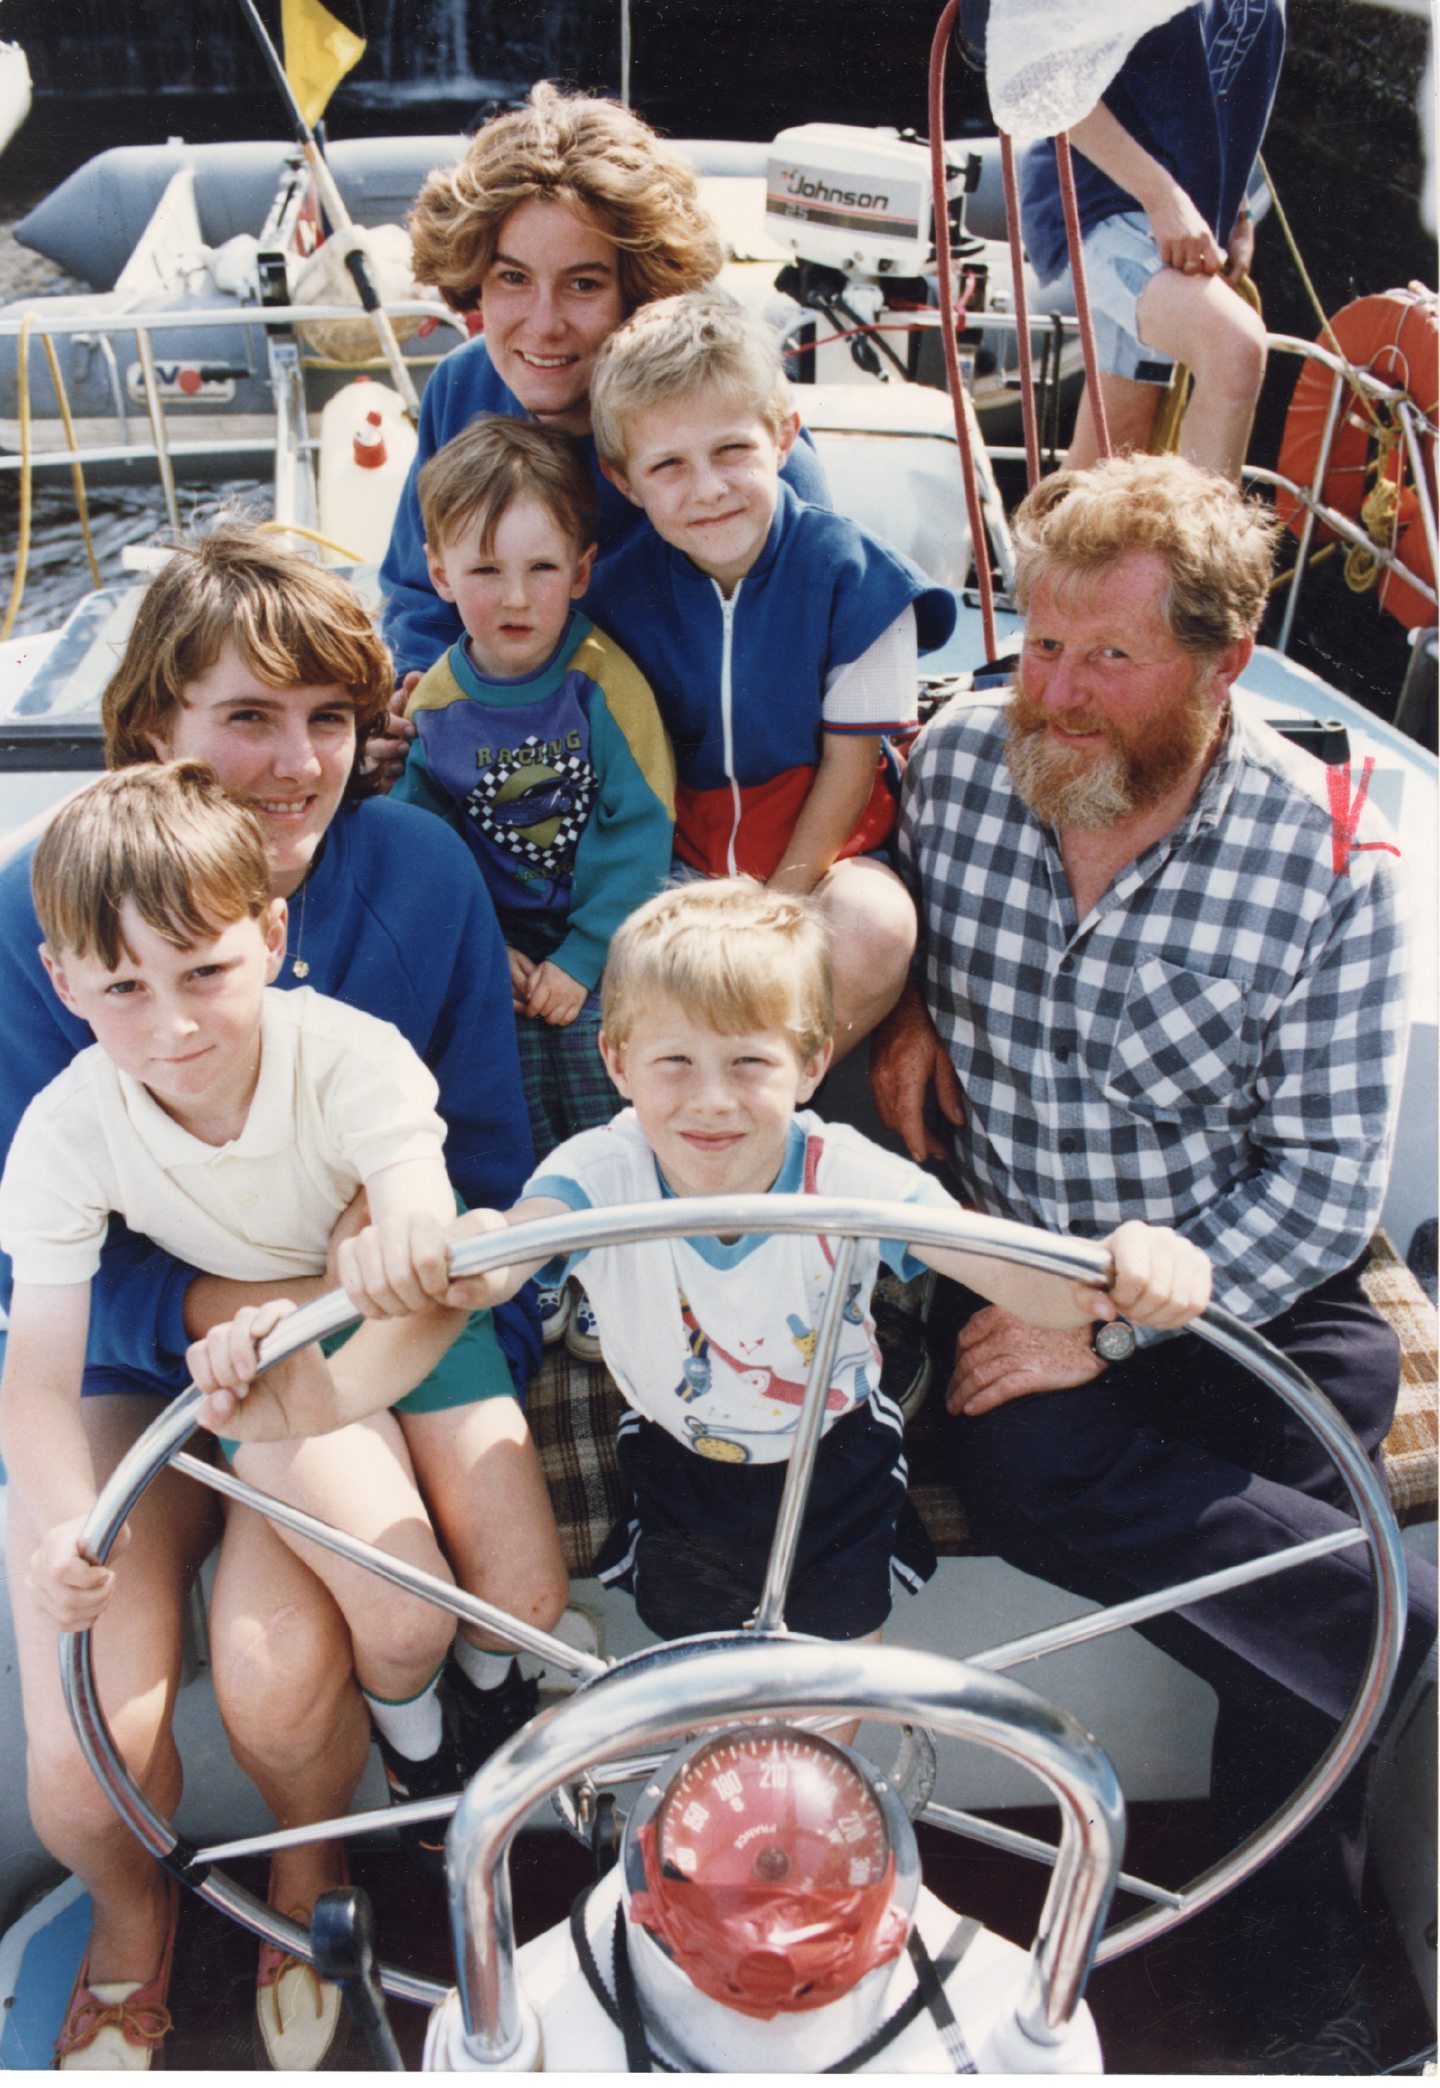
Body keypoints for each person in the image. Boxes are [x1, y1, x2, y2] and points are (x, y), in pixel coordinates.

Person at [869, 449, 1436, 2062]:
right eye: (1039, 643)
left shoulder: (1331, 855)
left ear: (1221, 664)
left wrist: (1107, 1336)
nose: (1054, 692)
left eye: (1106, 657)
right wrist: (899, 988)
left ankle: (1294, 1952)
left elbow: (1328, 1184)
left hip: (1254, 1274)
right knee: (1037, 1463)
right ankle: (1394, 1641)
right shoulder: (958, 762)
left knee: (1317, 1443)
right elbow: (825, 886)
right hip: (1010, 1263)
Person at [0, 532, 566, 2071]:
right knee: (88, 1741)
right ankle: (133, 1929)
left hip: (351, 1352)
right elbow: (36, 1283)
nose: (296, 762)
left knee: (276, 1660)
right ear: (154, 729)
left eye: (329, 719)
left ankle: (311, 1890)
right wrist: (229, 1303)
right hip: (143, 1354)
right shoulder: (43, 912)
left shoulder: (422, 875)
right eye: (248, 716)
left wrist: (352, 1331)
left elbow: (481, 1178)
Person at [190, 879, 1212, 1658]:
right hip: (676, 1459)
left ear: (812, 1066)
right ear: (619, 1064)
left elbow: (1014, 1278)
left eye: (750, 1065)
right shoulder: (598, 1170)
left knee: (832, 1669)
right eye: (674, 1064)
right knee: (697, 1655)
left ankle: (812, 1825)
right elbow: (499, 1262)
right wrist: (425, 1253)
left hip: (837, 1460)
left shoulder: (850, 1176)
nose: (711, 1101)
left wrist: (1121, 1270)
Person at [586, 290, 958, 1057]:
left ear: (784, 437)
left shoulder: (858, 580)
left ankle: (781, 1101)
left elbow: (852, 766)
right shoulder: (615, 596)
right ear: (625, 481)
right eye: (668, 466)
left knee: (874, 927)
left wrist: (777, 909)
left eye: (731, 451)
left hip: (824, 855)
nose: (709, 489)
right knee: (610, 949)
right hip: (678, 853)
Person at [378, 82, 830, 696]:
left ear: (641, 290)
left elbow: (811, 664)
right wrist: (421, 699)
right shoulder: (461, 386)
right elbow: (418, 592)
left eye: (583, 284)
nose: (543, 324)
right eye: (513, 277)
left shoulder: (740, 445)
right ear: (473, 282)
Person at [393, 415, 675, 1354]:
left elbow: (634, 828)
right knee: (506, 1092)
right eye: (483, 572)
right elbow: (431, 842)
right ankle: (540, 1262)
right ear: (438, 576)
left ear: (582, 571)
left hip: (604, 934)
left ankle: (622, 1259)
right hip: (502, 946)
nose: (514, 596)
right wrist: (490, 950)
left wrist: (586, 955)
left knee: (606, 1089)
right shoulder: (436, 706)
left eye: (542, 569)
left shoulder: (601, 683)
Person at [1021, 0, 1283, 481]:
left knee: (1115, 444)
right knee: (1233, 348)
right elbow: (1048, 77)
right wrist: (1163, 199)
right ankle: (1199, 554)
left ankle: (1045, 556)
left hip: (1177, 224)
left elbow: (1222, 81)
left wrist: (1239, 207)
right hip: (1095, 200)